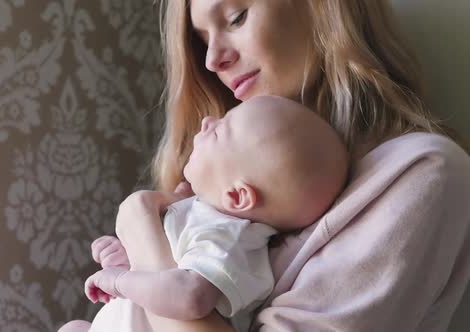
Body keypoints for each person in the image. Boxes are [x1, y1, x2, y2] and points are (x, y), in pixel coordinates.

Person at [64, 0, 470, 331]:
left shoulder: (421, 172)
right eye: (201, 39)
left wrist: (139, 227)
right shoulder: (222, 182)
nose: (211, 60)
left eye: (235, 17)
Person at [59, 96, 348, 332]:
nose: (208, 122)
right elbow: (161, 262)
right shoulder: (203, 217)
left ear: (237, 196)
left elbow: (189, 296)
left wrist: (118, 282)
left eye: (221, 130)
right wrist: (123, 257)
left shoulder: (228, 239)